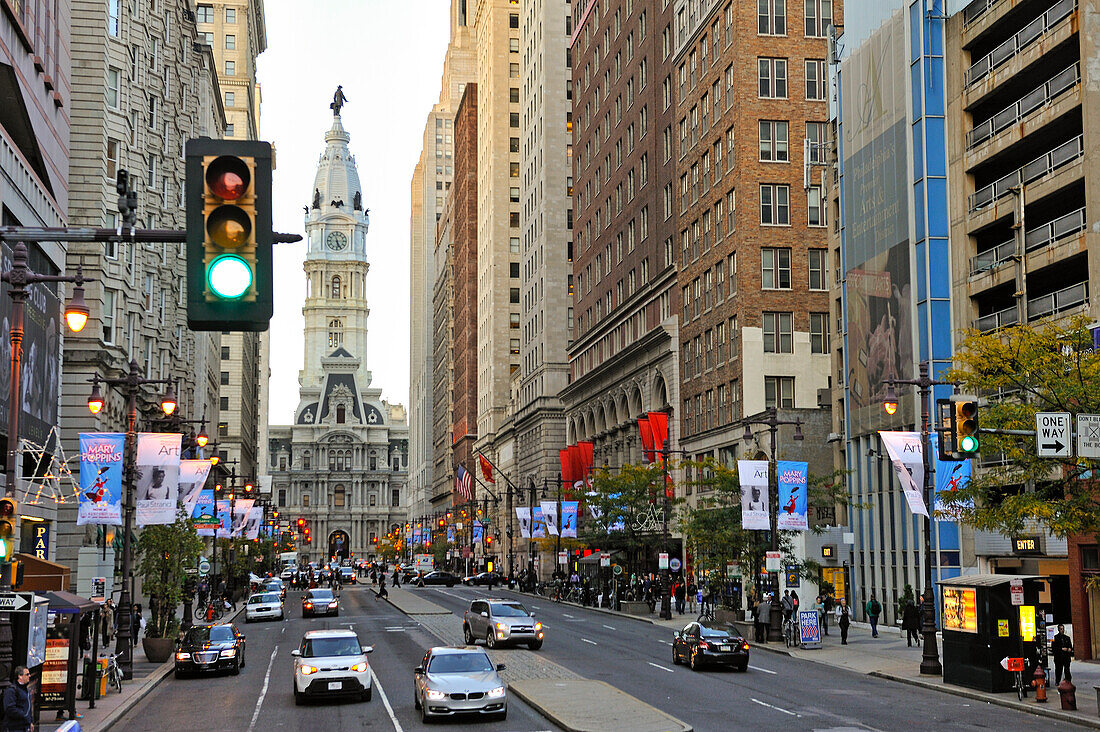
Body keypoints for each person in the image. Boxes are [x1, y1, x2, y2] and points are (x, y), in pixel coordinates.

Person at [1, 665, 32, 732]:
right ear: (20, 676)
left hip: (24, 727)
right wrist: (24, 715)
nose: (29, 676)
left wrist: (30, 721)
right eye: (27, 674)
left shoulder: (25, 689)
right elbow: (10, 709)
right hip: (14, 728)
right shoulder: (11, 690)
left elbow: (28, 707)